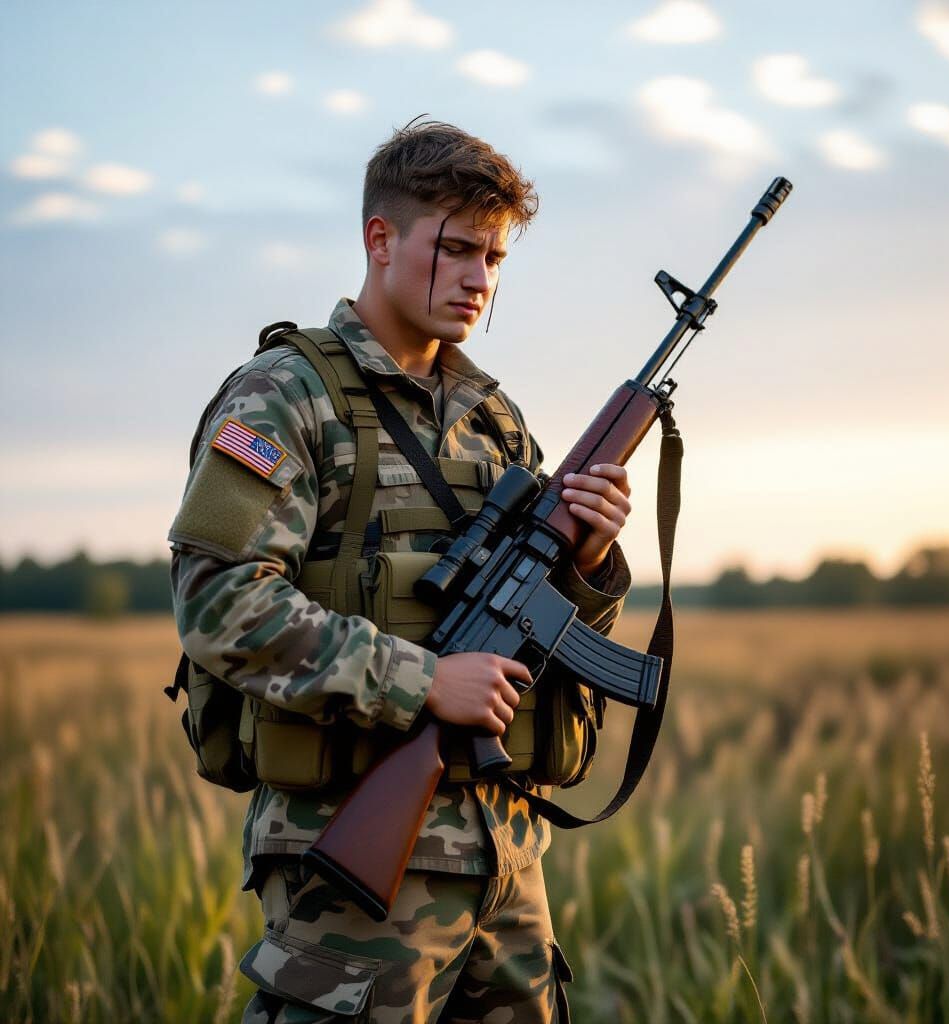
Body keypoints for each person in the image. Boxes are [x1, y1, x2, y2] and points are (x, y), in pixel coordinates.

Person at [168, 119, 634, 1024]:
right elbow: (218, 601)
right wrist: (424, 682)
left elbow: (551, 641)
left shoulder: (494, 420)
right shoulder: (281, 394)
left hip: (507, 862)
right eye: (457, 249)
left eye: (495, 258)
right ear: (380, 239)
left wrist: (587, 564)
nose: (479, 280)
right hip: (353, 871)